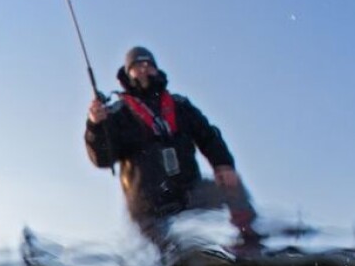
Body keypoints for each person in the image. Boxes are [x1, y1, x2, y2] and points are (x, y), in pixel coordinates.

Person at [86, 46, 257, 245]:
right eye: (136, 66)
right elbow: (102, 158)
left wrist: (223, 165)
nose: (143, 69)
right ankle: (167, 262)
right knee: (170, 255)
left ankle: (250, 241)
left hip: (188, 189)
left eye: (148, 64)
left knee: (233, 185)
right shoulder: (116, 113)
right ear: (127, 73)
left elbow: (208, 136)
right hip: (147, 202)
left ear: (156, 69)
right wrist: (95, 126)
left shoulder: (180, 105)